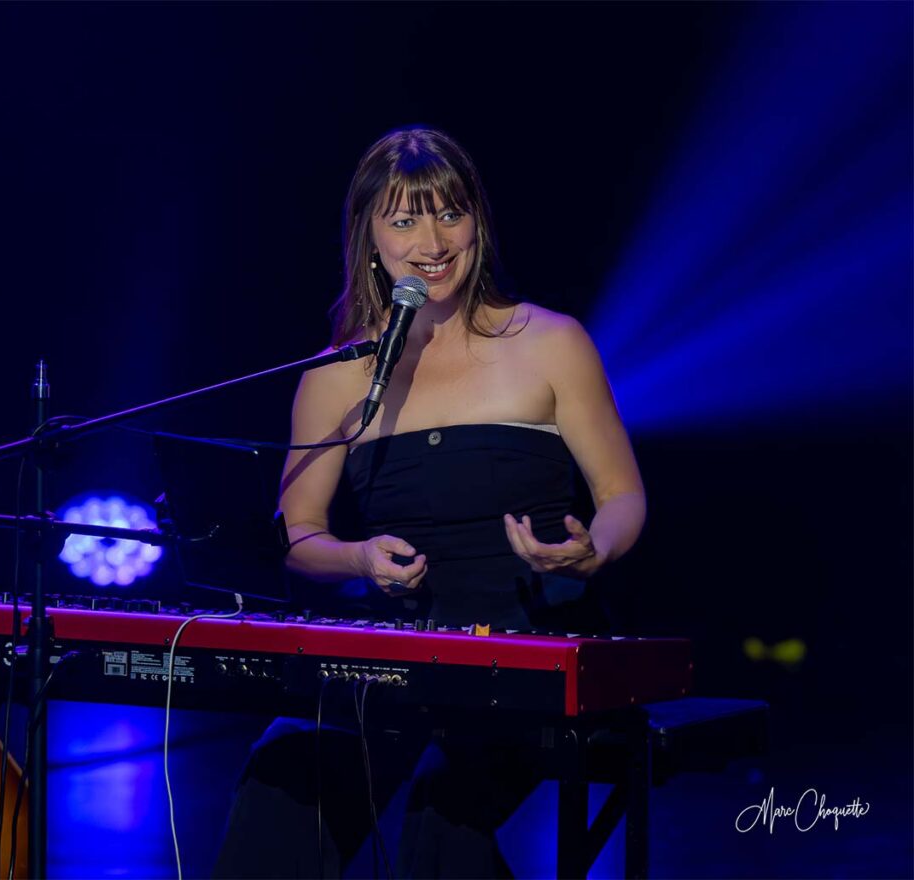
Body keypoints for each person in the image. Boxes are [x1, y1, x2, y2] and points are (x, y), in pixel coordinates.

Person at [213, 126, 645, 878]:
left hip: (530, 651)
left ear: (478, 221)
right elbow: (299, 534)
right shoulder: (338, 374)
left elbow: (621, 493)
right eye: (405, 220)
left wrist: (594, 548)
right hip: (393, 656)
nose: (432, 240)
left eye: (450, 213)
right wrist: (356, 557)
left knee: (442, 819)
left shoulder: (549, 341)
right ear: (370, 237)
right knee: (280, 785)